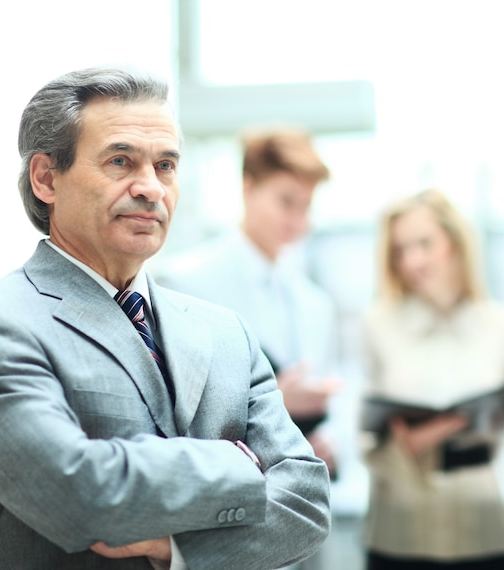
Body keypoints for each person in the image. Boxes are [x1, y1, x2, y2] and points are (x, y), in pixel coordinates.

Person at [0, 67, 331, 570]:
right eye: (120, 161)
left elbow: (308, 503)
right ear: (45, 178)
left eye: (165, 166)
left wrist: (176, 549)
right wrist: (241, 463)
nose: (150, 188)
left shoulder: (226, 331)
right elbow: (78, 495)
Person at [155, 128, 343, 570]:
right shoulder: (184, 283)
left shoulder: (315, 303)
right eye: (286, 201)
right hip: (224, 521)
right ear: (248, 187)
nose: (297, 219)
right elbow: (170, 412)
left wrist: (329, 443)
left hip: (299, 513)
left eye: (306, 206)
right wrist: (278, 401)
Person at [360, 188, 504, 570]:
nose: (413, 260)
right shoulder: (378, 323)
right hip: (399, 534)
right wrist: (420, 438)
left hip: (482, 529)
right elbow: (367, 438)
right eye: (401, 250)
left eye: (424, 244)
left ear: (455, 242)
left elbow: (500, 431)